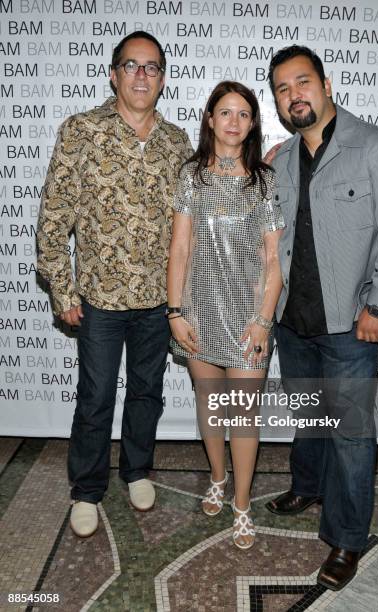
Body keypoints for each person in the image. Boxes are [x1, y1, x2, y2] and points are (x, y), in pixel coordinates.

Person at [265, 46, 378, 589]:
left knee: (351, 434)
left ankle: (348, 539)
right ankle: (307, 486)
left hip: (352, 325)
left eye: (302, 82)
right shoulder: (281, 160)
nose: (294, 95)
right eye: (282, 89)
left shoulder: (376, 147)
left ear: (326, 85)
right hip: (293, 320)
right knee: (308, 417)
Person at [37, 31, 193, 538]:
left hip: (158, 301)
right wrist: (63, 291)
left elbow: (193, 222)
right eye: (132, 65)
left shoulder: (178, 143)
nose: (142, 75)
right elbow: (53, 218)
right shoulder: (81, 131)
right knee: (96, 395)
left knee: (148, 392)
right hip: (100, 300)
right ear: (113, 73)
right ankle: (86, 488)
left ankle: (137, 470)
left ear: (163, 79)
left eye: (151, 67)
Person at [167, 81, 284, 550]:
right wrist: (175, 311)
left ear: (252, 123)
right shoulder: (190, 176)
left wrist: (263, 320)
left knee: (244, 414)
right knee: (210, 404)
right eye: (225, 112)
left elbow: (275, 260)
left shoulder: (265, 181)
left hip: (248, 316)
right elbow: (179, 247)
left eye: (243, 113)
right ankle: (217, 477)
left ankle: (241, 504)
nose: (233, 121)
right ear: (210, 119)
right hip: (197, 310)